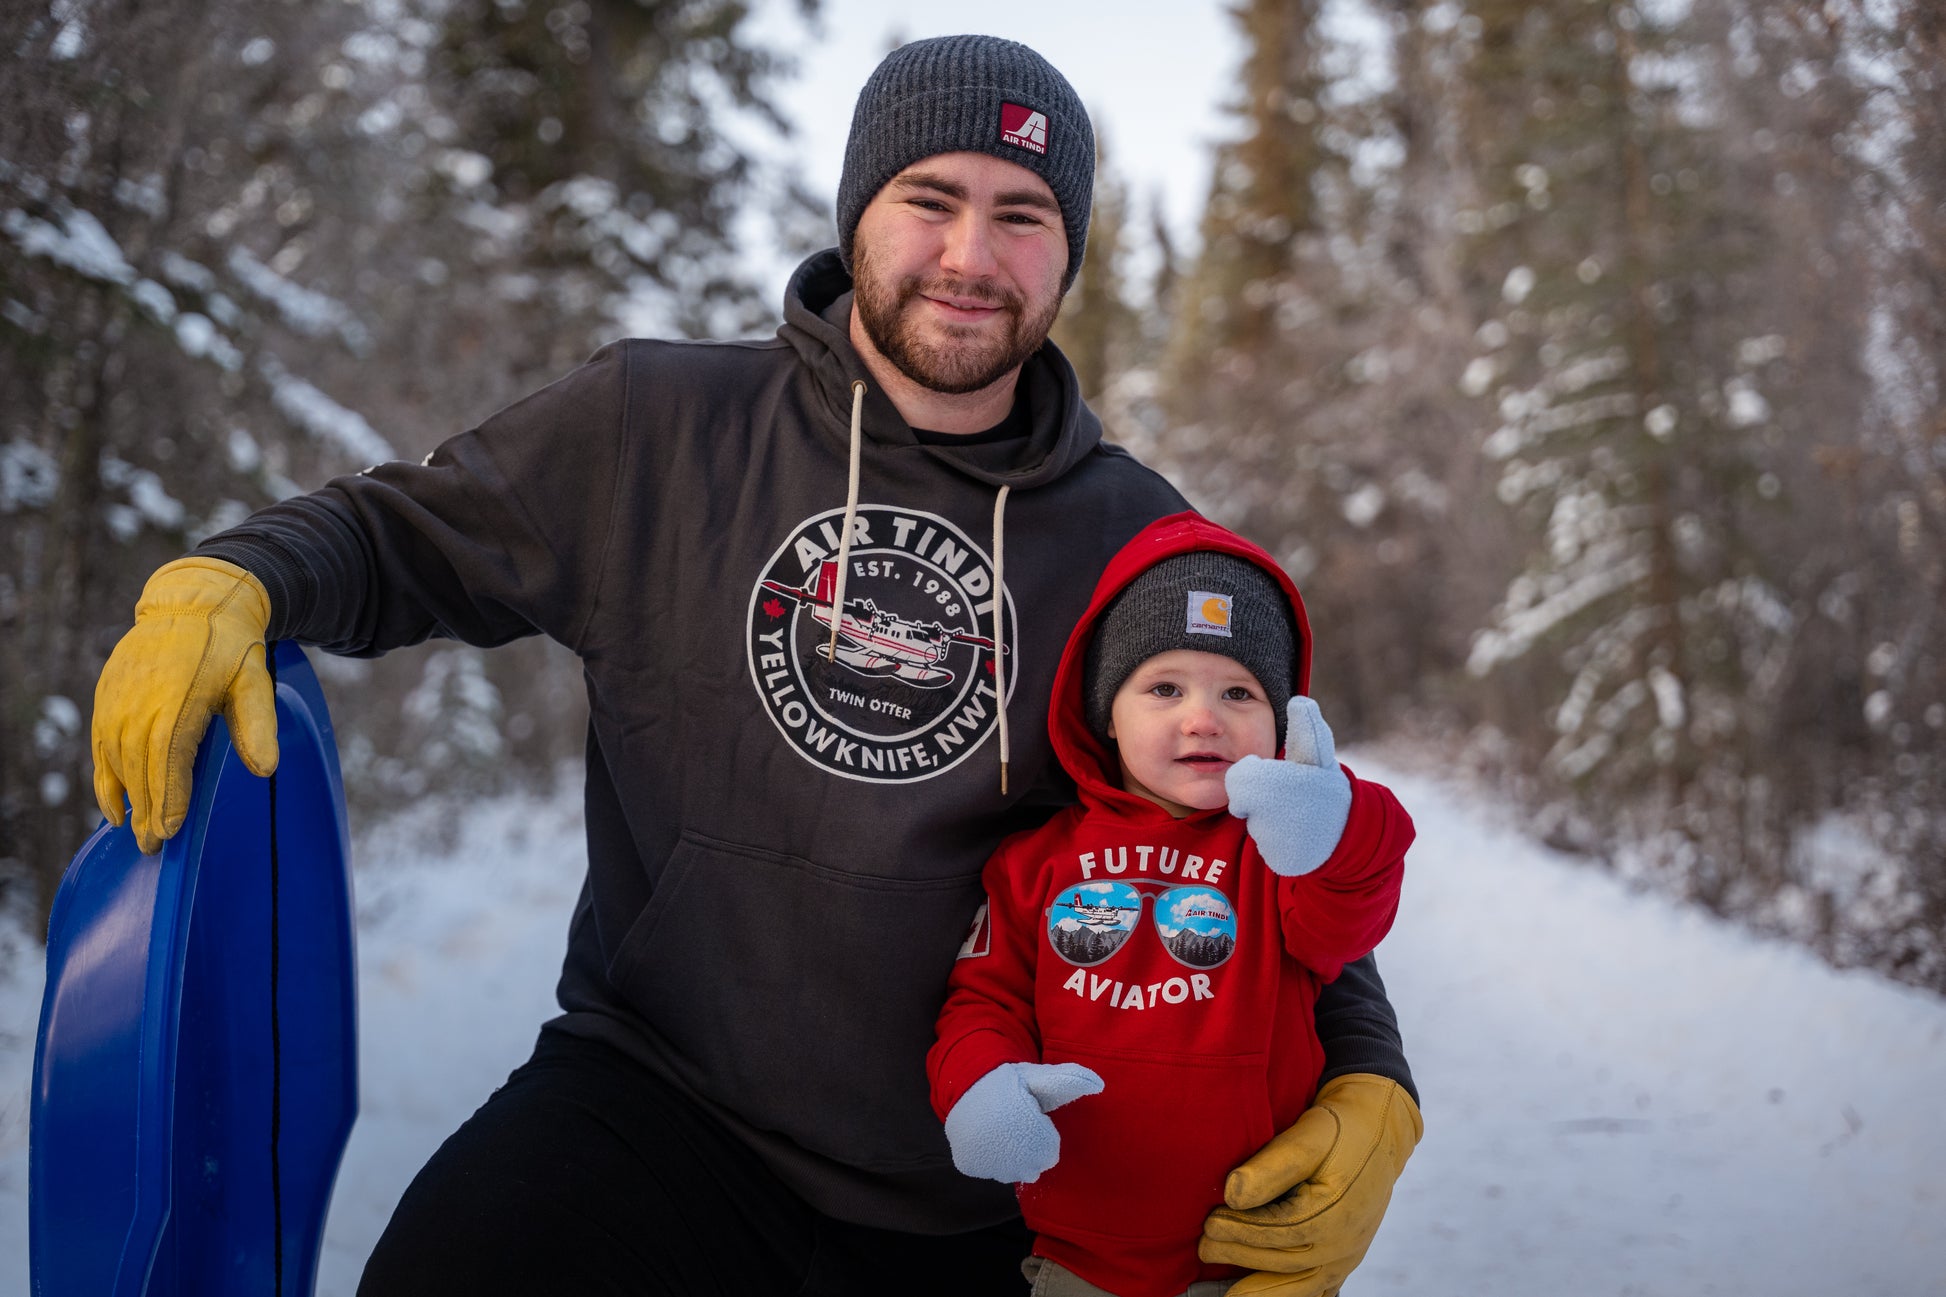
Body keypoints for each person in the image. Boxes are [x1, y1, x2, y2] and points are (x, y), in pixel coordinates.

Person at [88, 34, 1422, 1296]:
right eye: (929, 197)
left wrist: (1369, 1071)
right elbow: (402, 534)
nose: (969, 253)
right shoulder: (659, 430)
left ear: (1067, 252)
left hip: (998, 1170)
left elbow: (1251, 830)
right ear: (855, 210)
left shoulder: (1134, 540)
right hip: (662, 1103)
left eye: (1023, 213)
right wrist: (235, 578)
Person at [930, 515, 1415, 1297]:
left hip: (1258, 1249)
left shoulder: (1280, 855)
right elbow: (982, 1000)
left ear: (1282, 716)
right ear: (1103, 711)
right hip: (1081, 1261)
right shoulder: (1035, 863)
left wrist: (1342, 826)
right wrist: (979, 1085)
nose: (1202, 716)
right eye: (1163, 687)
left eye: (1239, 691)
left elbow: (1349, 921)